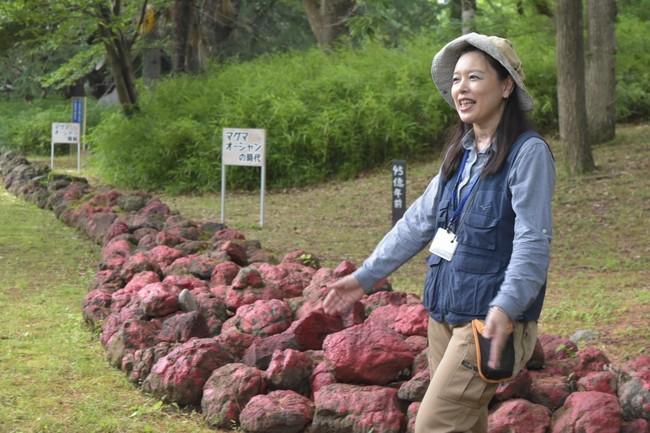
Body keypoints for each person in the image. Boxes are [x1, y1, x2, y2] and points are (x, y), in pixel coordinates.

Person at [323, 32, 555, 433]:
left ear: (505, 87)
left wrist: (504, 308)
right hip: (444, 314)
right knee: (465, 425)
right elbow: (416, 224)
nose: (461, 89)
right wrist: (364, 277)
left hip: (488, 321)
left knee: (432, 425)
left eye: (475, 78)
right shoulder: (460, 153)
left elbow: (533, 241)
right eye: (456, 79)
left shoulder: (527, 153)